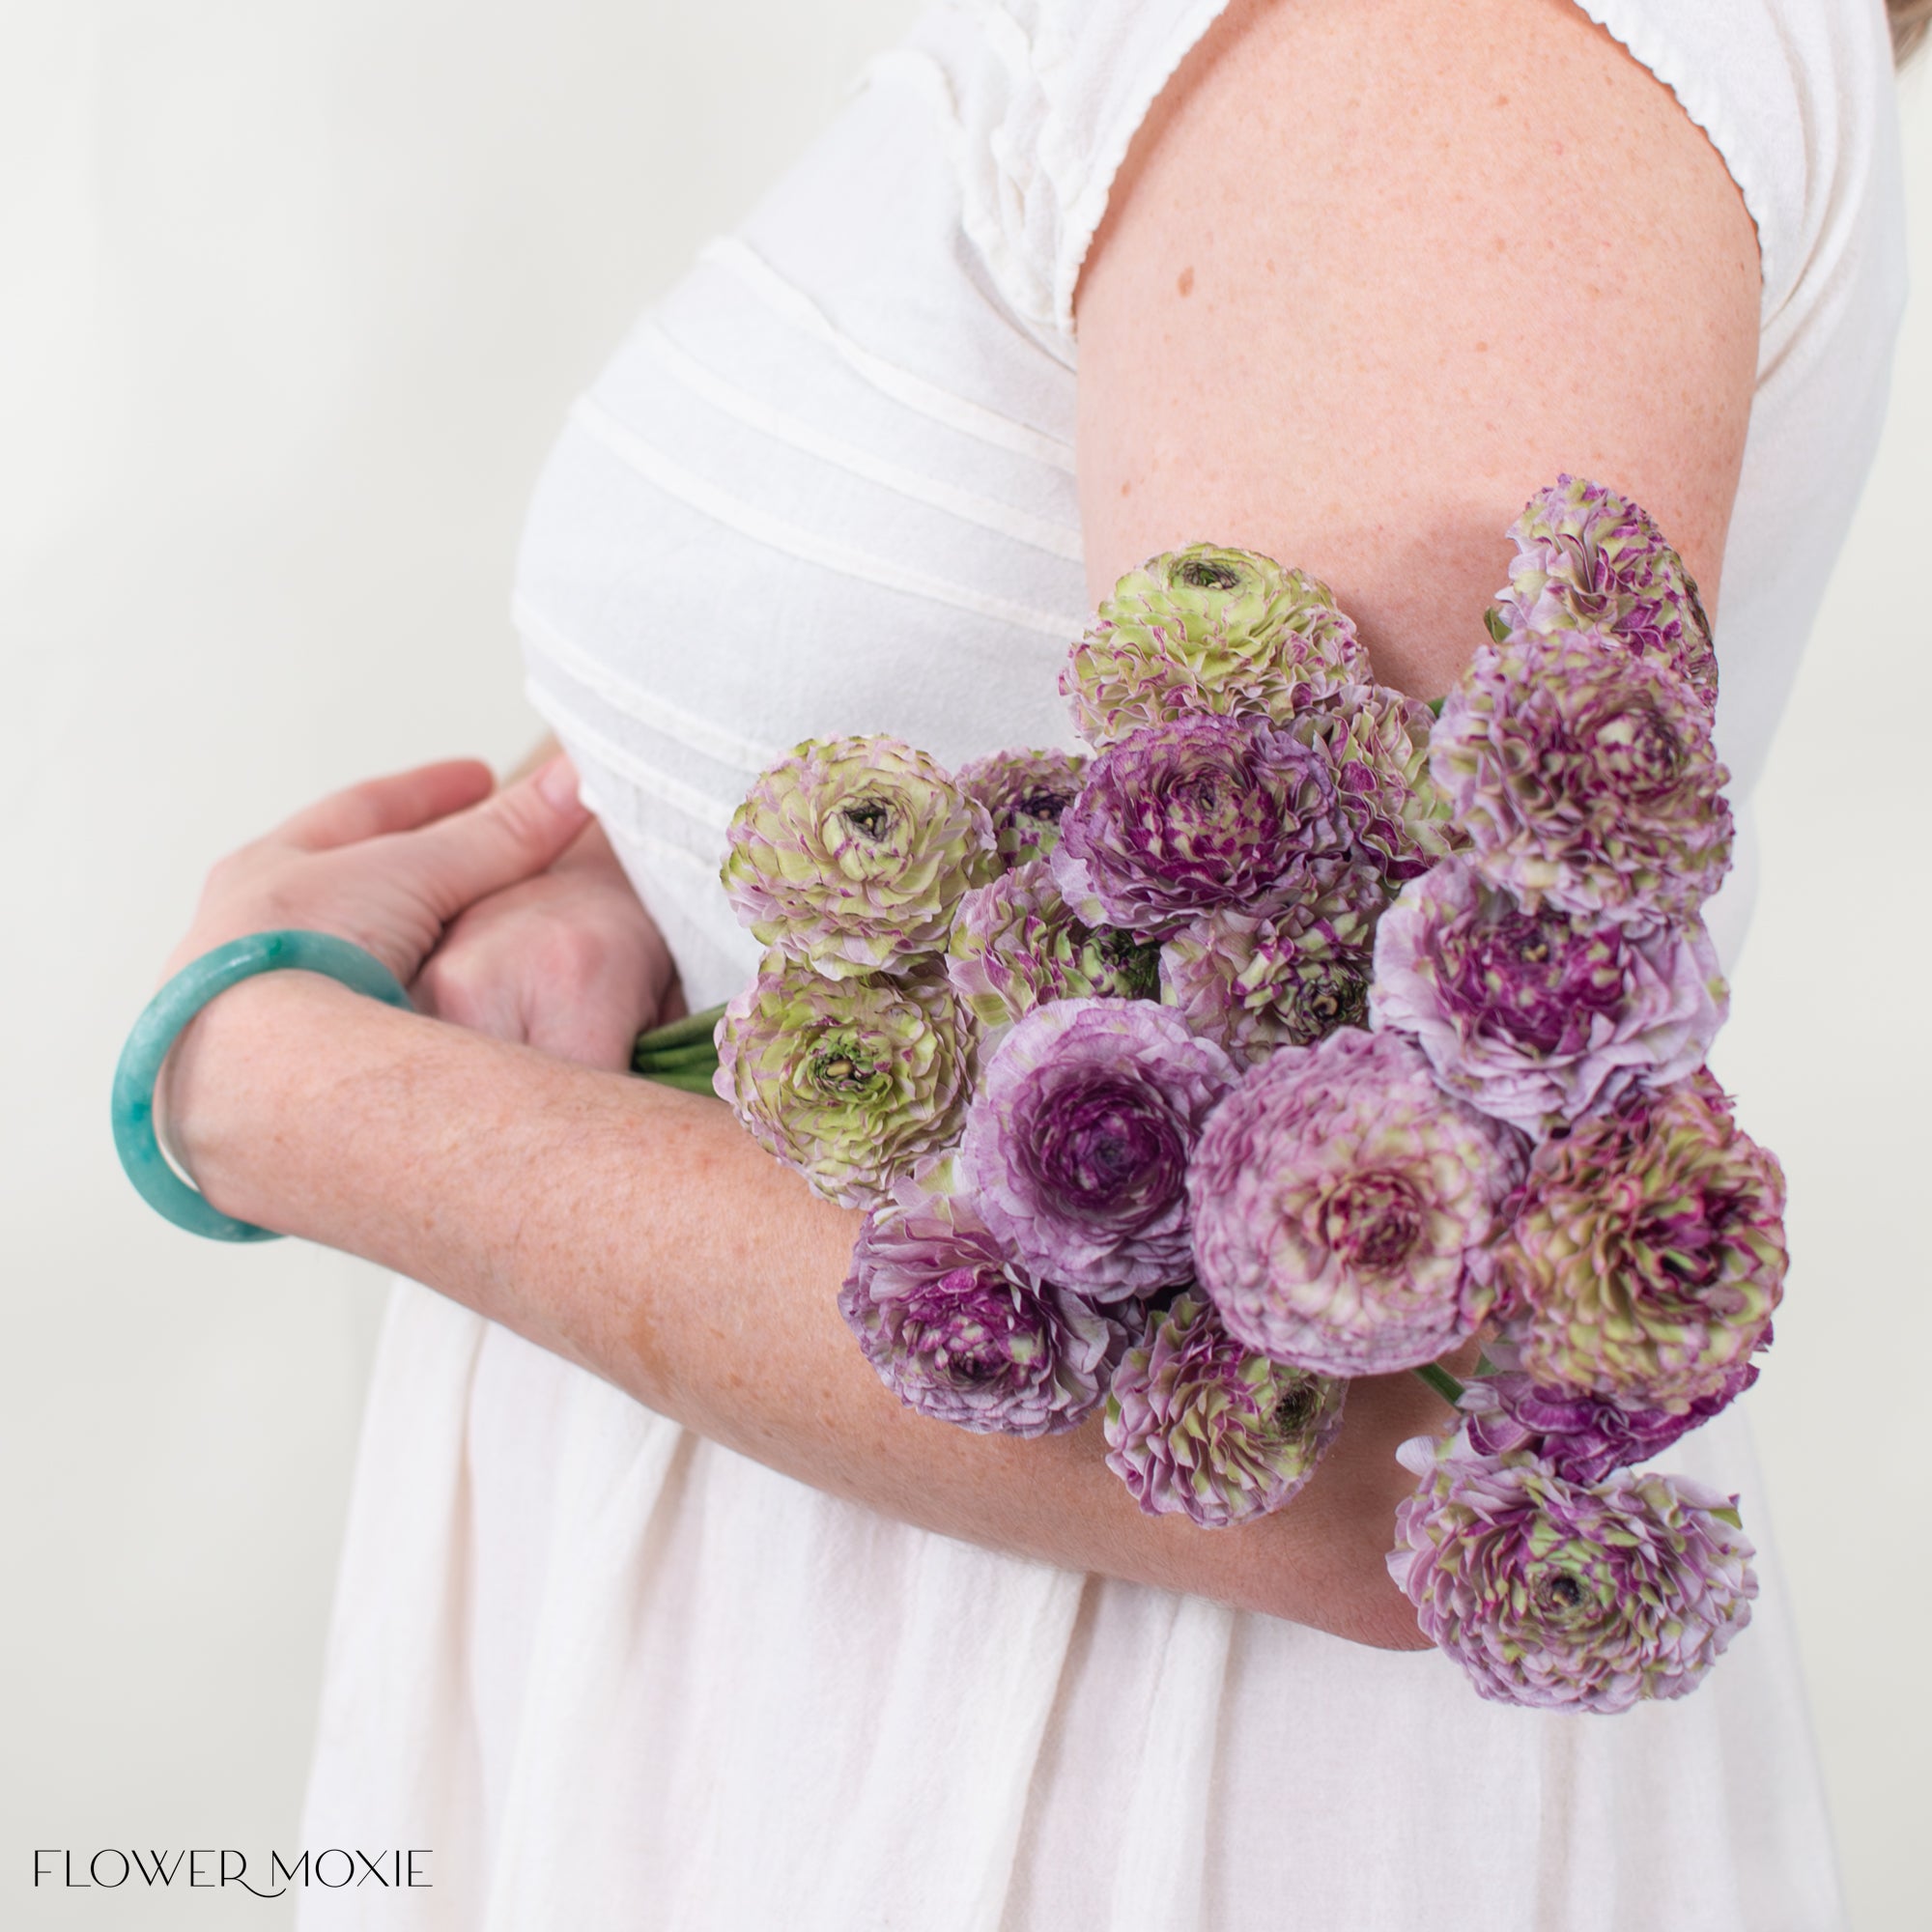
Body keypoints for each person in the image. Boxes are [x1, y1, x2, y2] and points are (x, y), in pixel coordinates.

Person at [151, 0, 1911, 1924]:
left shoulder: (1449, 54)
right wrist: (640, 872)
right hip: (799, 1692)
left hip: (1092, 1788)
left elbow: (1358, 1442)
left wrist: (284, 1098)